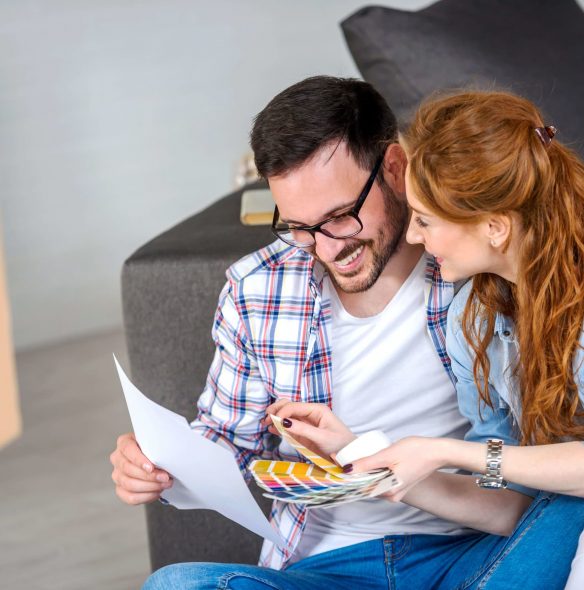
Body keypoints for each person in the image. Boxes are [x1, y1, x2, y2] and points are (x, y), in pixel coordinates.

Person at [109, 77, 579, 589]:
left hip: (472, 551)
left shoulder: (476, 281)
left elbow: (513, 474)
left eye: (339, 217)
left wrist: (437, 456)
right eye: (298, 227)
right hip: (329, 565)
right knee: (177, 585)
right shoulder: (258, 288)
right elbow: (224, 440)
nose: (325, 247)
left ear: (394, 169)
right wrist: (159, 465)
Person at [267, 90, 584, 589]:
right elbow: (507, 513)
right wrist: (365, 458)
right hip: (539, 531)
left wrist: (449, 452)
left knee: (568, 506)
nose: (415, 236)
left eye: (426, 219)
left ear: (495, 227)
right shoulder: (477, 321)